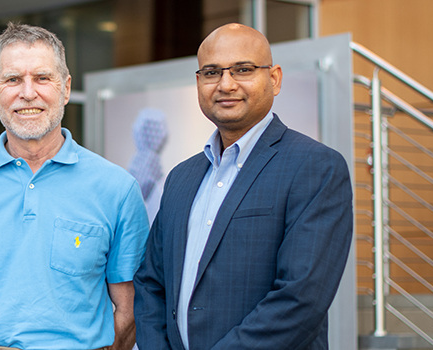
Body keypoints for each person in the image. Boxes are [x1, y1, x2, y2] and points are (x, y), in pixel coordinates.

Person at [0, 23, 149, 350]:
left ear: (66, 88)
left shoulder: (117, 189)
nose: (28, 93)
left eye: (43, 78)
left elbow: (130, 309)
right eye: (12, 79)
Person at [133, 23, 353, 350]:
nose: (226, 84)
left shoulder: (315, 166)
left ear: (274, 78)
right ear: (199, 83)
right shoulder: (181, 177)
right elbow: (151, 284)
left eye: (243, 70)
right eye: (211, 73)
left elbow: (301, 297)